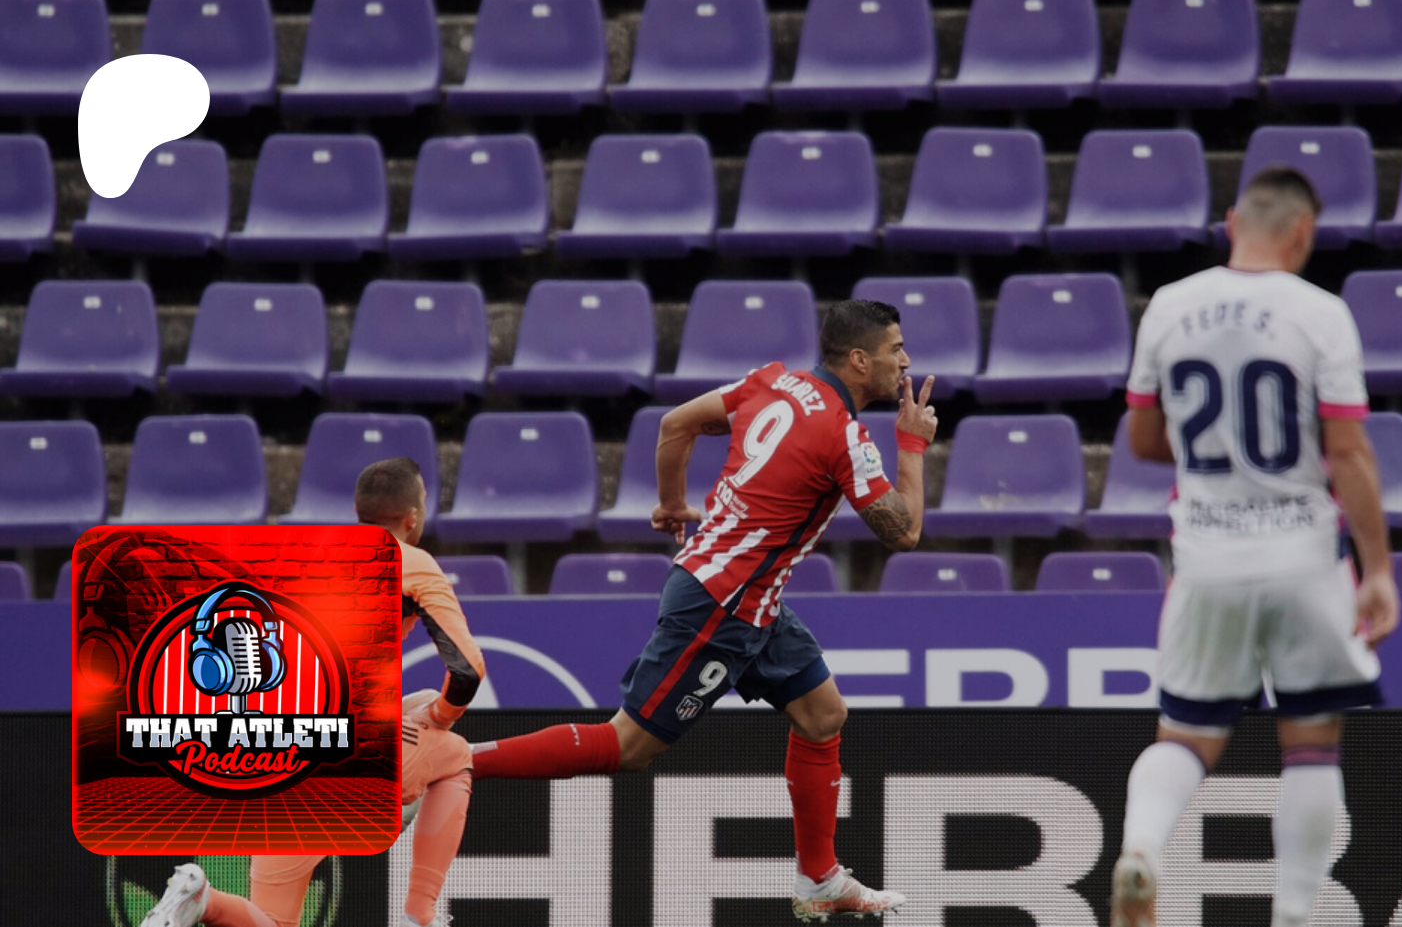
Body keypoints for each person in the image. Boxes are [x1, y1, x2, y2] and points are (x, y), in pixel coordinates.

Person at [467, 299, 934, 921]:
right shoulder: (844, 436)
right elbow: (904, 532)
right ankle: (457, 763)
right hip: (725, 604)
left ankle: (819, 877)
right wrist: (911, 443)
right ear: (859, 359)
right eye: (895, 349)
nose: (905, 361)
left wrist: (670, 504)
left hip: (748, 596)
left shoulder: (772, 381)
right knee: (628, 746)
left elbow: (675, 424)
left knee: (823, 716)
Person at [1109, 167, 1402, 927]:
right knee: (1312, 742)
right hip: (1303, 555)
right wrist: (1377, 569)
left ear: (1232, 220)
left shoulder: (1170, 305)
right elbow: (1349, 454)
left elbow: (1143, 440)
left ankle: (1142, 848)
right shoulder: (1321, 313)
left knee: (1186, 735)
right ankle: (1295, 915)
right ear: (1304, 232)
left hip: (1207, 556)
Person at [140, 458, 487, 927]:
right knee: (456, 753)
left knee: (273, 920)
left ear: (358, 512)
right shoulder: (412, 562)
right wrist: (442, 716)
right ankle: (419, 915)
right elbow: (467, 670)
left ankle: (204, 900)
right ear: (412, 517)